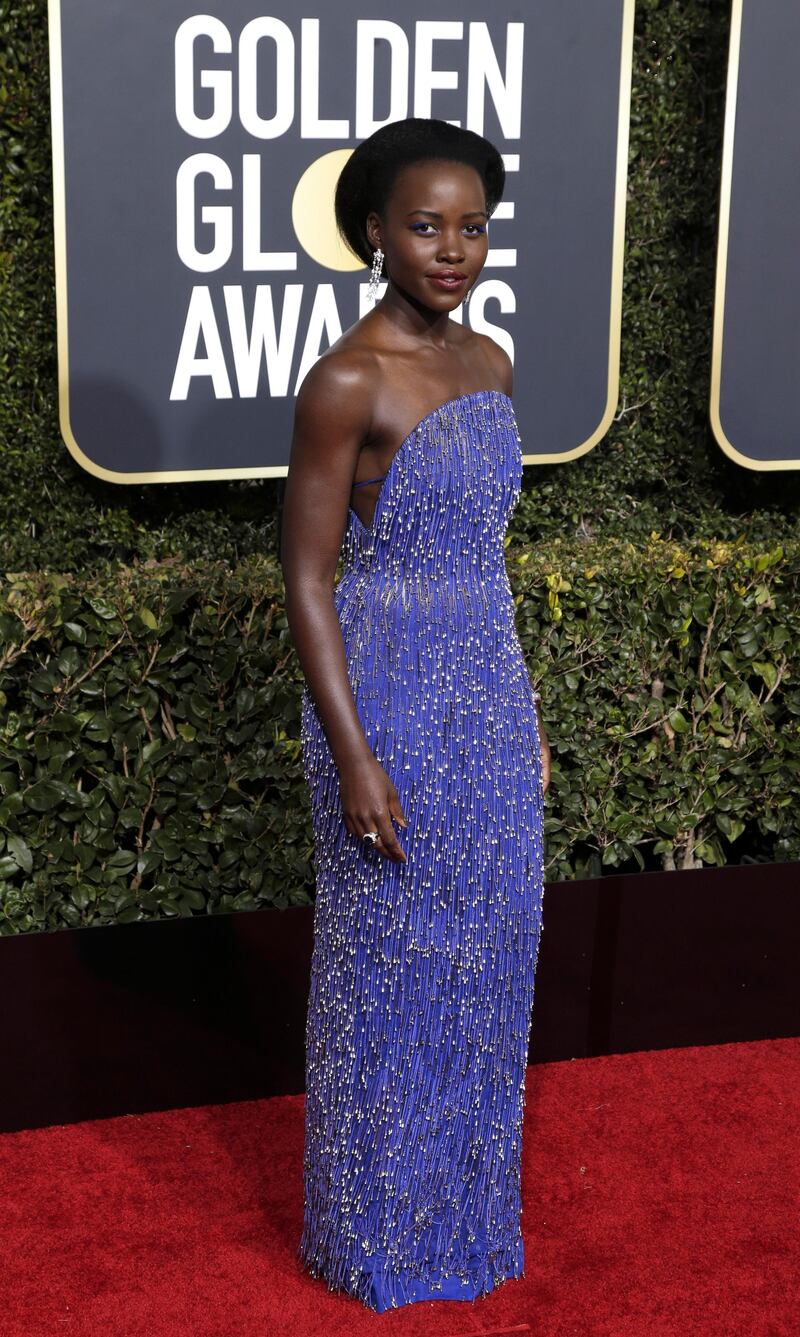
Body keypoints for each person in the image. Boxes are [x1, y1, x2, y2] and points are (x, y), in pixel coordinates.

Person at [280, 116, 552, 1313]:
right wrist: (350, 753)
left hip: (482, 695)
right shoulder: (346, 379)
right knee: (385, 973)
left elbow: (485, 560)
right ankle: (374, 1235)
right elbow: (306, 575)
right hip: (382, 698)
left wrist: (523, 709)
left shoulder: (489, 362)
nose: (452, 248)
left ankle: (465, 1216)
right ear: (373, 233)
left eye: (472, 227)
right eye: (425, 225)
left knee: (488, 962)